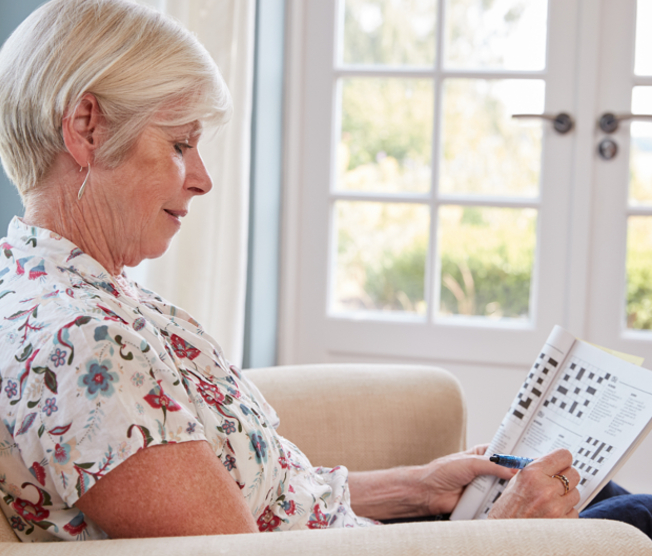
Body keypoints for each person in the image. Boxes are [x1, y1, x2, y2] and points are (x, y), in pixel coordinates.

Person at [0, 0, 648, 543]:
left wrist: (417, 488)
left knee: (595, 487)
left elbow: (262, 501)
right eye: (179, 144)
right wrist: (497, 534)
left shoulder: (75, 293)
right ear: (86, 127)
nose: (202, 179)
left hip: (363, 538)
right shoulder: (86, 348)